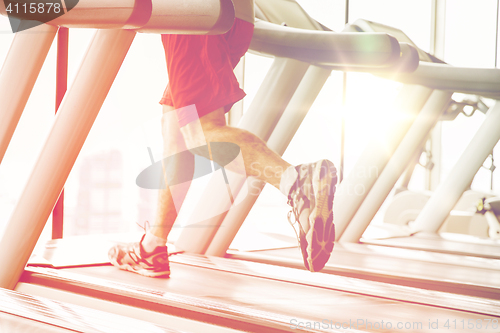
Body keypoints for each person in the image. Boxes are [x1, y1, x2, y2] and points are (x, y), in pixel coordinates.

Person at [108, 0, 337, 277]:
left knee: (201, 133)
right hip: (229, 16)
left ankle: (295, 180)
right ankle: (152, 249)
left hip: (195, 16)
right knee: (177, 133)